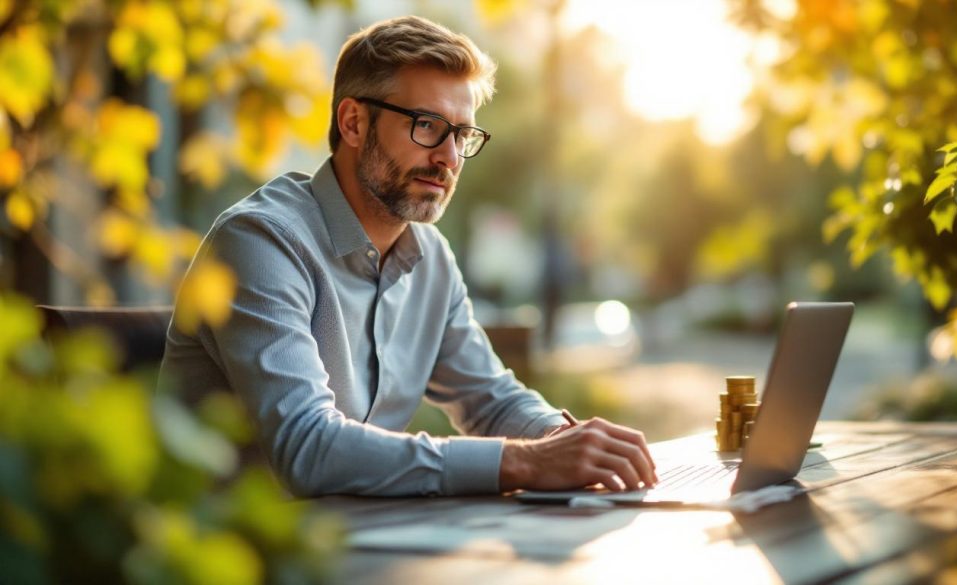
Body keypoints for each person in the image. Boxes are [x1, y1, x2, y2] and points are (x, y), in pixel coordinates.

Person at [159, 15, 657, 497]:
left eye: (462, 134)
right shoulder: (261, 242)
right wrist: (523, 462)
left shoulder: (430, 257)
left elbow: (489, 398)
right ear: (353, 122)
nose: (449, 158)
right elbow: (306, 447)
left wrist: (564, 442)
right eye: (427, 125)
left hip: (363, 545)